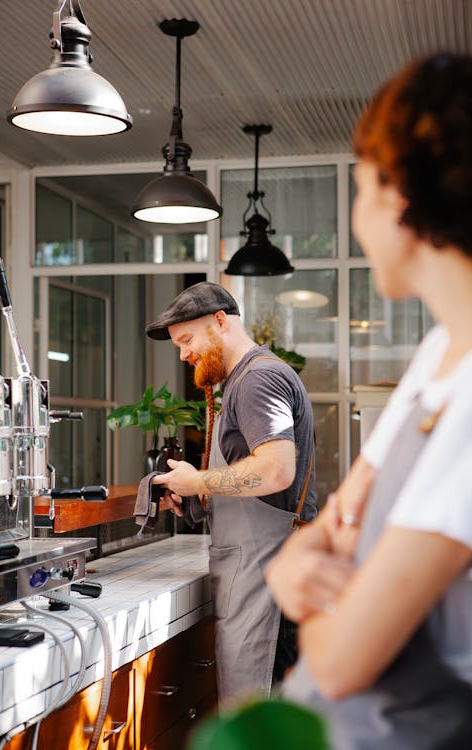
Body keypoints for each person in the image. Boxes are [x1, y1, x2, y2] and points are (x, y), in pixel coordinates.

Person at [265, 52, 472, 749]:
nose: (356, 218)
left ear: (398, 192)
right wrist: (304, 561)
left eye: (359, 189)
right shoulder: (435, 356)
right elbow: (329, 529)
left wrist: (308, 579)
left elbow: (342, 660)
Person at [145, 281, 317, 704]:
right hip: (257, 580)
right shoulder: (242, 379)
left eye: (186, 340)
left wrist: (199, 480)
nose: (184, 355)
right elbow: (257, 484)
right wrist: (194, 498)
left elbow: (276, 471)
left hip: (271, 590)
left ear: (220, 322)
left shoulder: (258, 380)